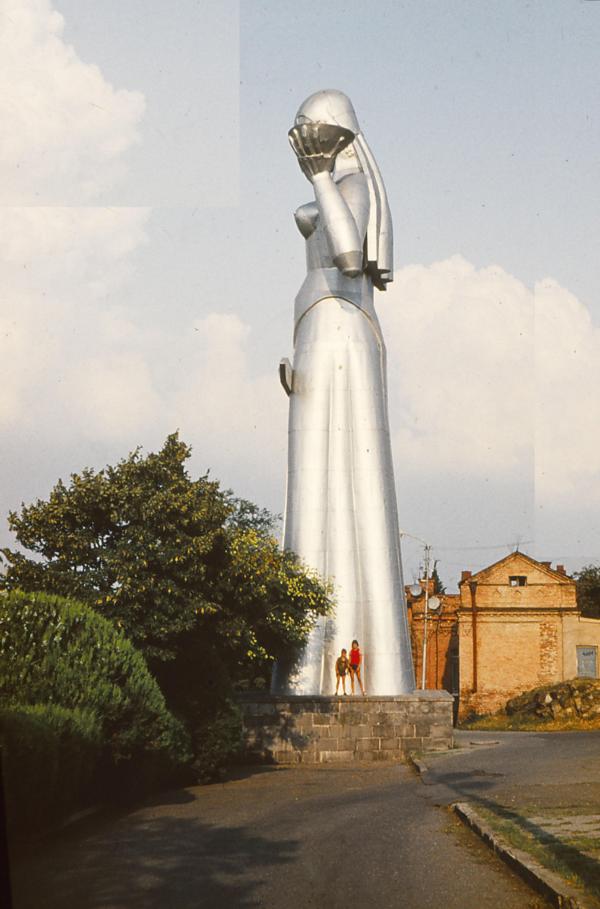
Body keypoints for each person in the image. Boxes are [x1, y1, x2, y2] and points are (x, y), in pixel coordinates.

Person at [271, 89, 415, 697]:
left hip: (342, 328)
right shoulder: (336, 185)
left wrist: (323, 176)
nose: (301, 138)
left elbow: (351, 253)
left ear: (336, 132)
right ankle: (301, 677)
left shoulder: (351, 186)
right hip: (316, 334)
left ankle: (372, 677)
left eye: (310, 128)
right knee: (309, 493)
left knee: (353, 482)